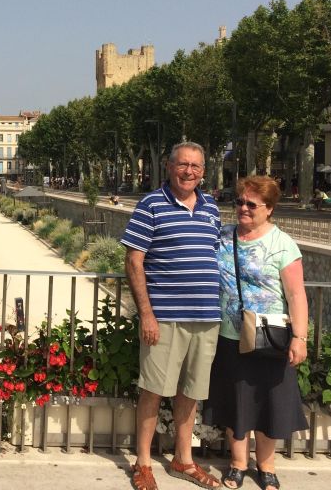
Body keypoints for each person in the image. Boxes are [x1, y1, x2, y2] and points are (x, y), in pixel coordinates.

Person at [121, 142, 222, 490]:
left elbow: (214, 255)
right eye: (183, 165)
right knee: (152, 389)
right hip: (164, 317)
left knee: (191, 392)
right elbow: (134, 261)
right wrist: (146, 314)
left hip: (207, 317)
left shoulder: (212, 207)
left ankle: (183, 460)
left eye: (195, 166)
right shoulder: (151, 204)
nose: (189, 171)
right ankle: (144, 463)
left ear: (203, 171)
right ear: (169, 167)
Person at [203, 176, 308, 490]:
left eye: (251, 204)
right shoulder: (222, 237)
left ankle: (266, 465)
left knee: (268, 402)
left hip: (269, 336)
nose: (243, 209)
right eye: (239, 202)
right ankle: (237, 464)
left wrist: (300, 337)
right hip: (229, 336)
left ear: (270, 209)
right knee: (237, 403)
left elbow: (297, 295)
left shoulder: (282, 244)